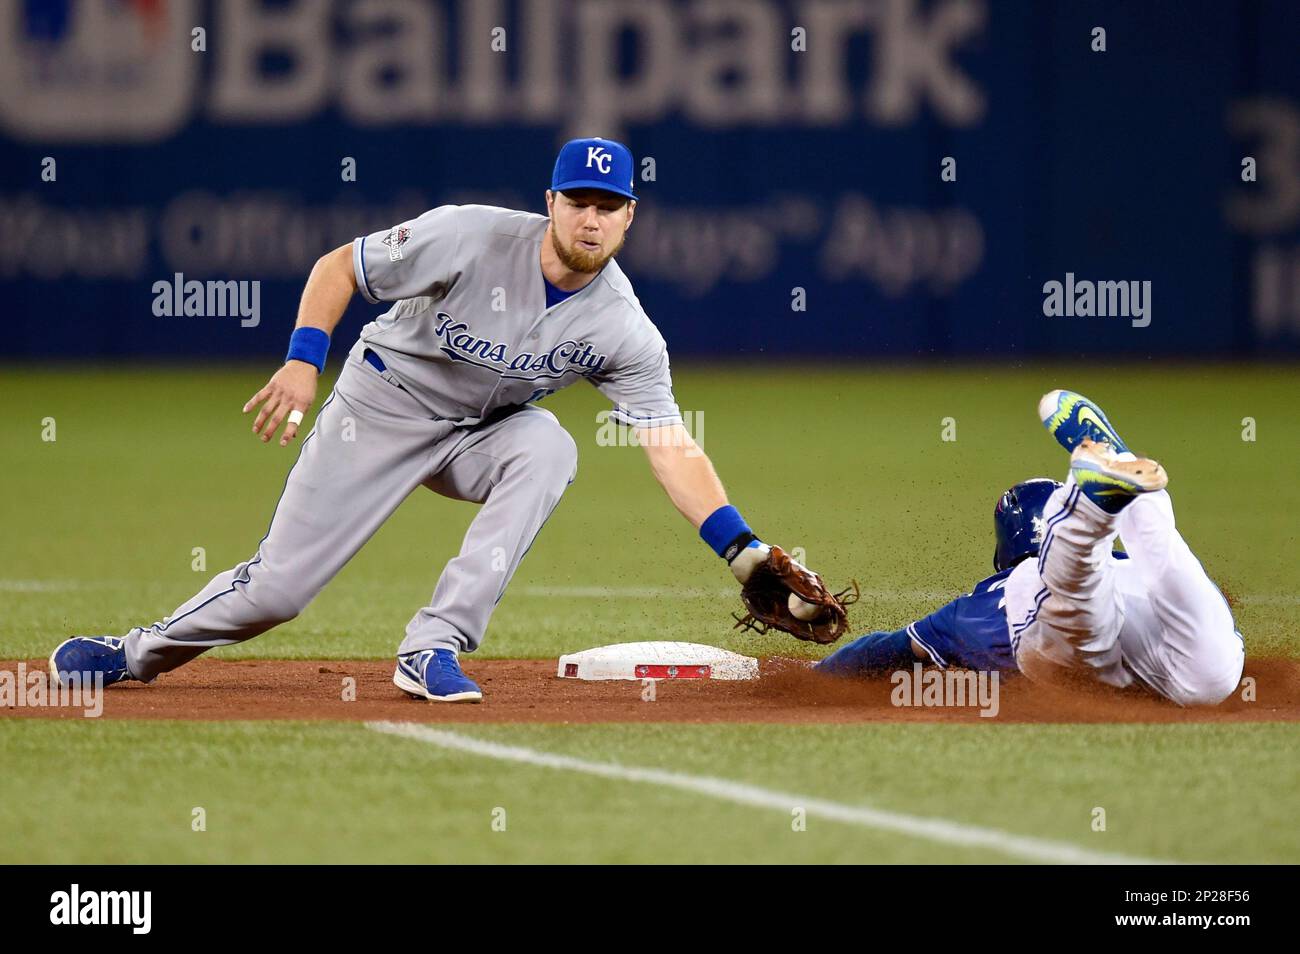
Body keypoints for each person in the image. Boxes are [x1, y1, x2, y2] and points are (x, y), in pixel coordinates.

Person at [50, 137, 824, 703]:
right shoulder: (470, 234)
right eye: (578, 202)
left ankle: (434, 646)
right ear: (550, 202)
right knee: (277, 593)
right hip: (380, 408)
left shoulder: (624, 328)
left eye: (608, 206)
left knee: (550, 449)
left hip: (478, 437)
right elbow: (338, 268)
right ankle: (133, 653)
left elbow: (668, 442)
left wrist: (742, 550)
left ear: (629, 218)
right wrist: (301, 359)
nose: (591, 219)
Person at [818, 390, 1245, 706]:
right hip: (1175, 647)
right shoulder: (1123, 564)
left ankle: (1092, 501)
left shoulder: (979, 602)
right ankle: (1116, 470)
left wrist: (819, 674)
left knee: (1076, 594)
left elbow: (886, 650)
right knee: (1168, 566)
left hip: (1070, 641)